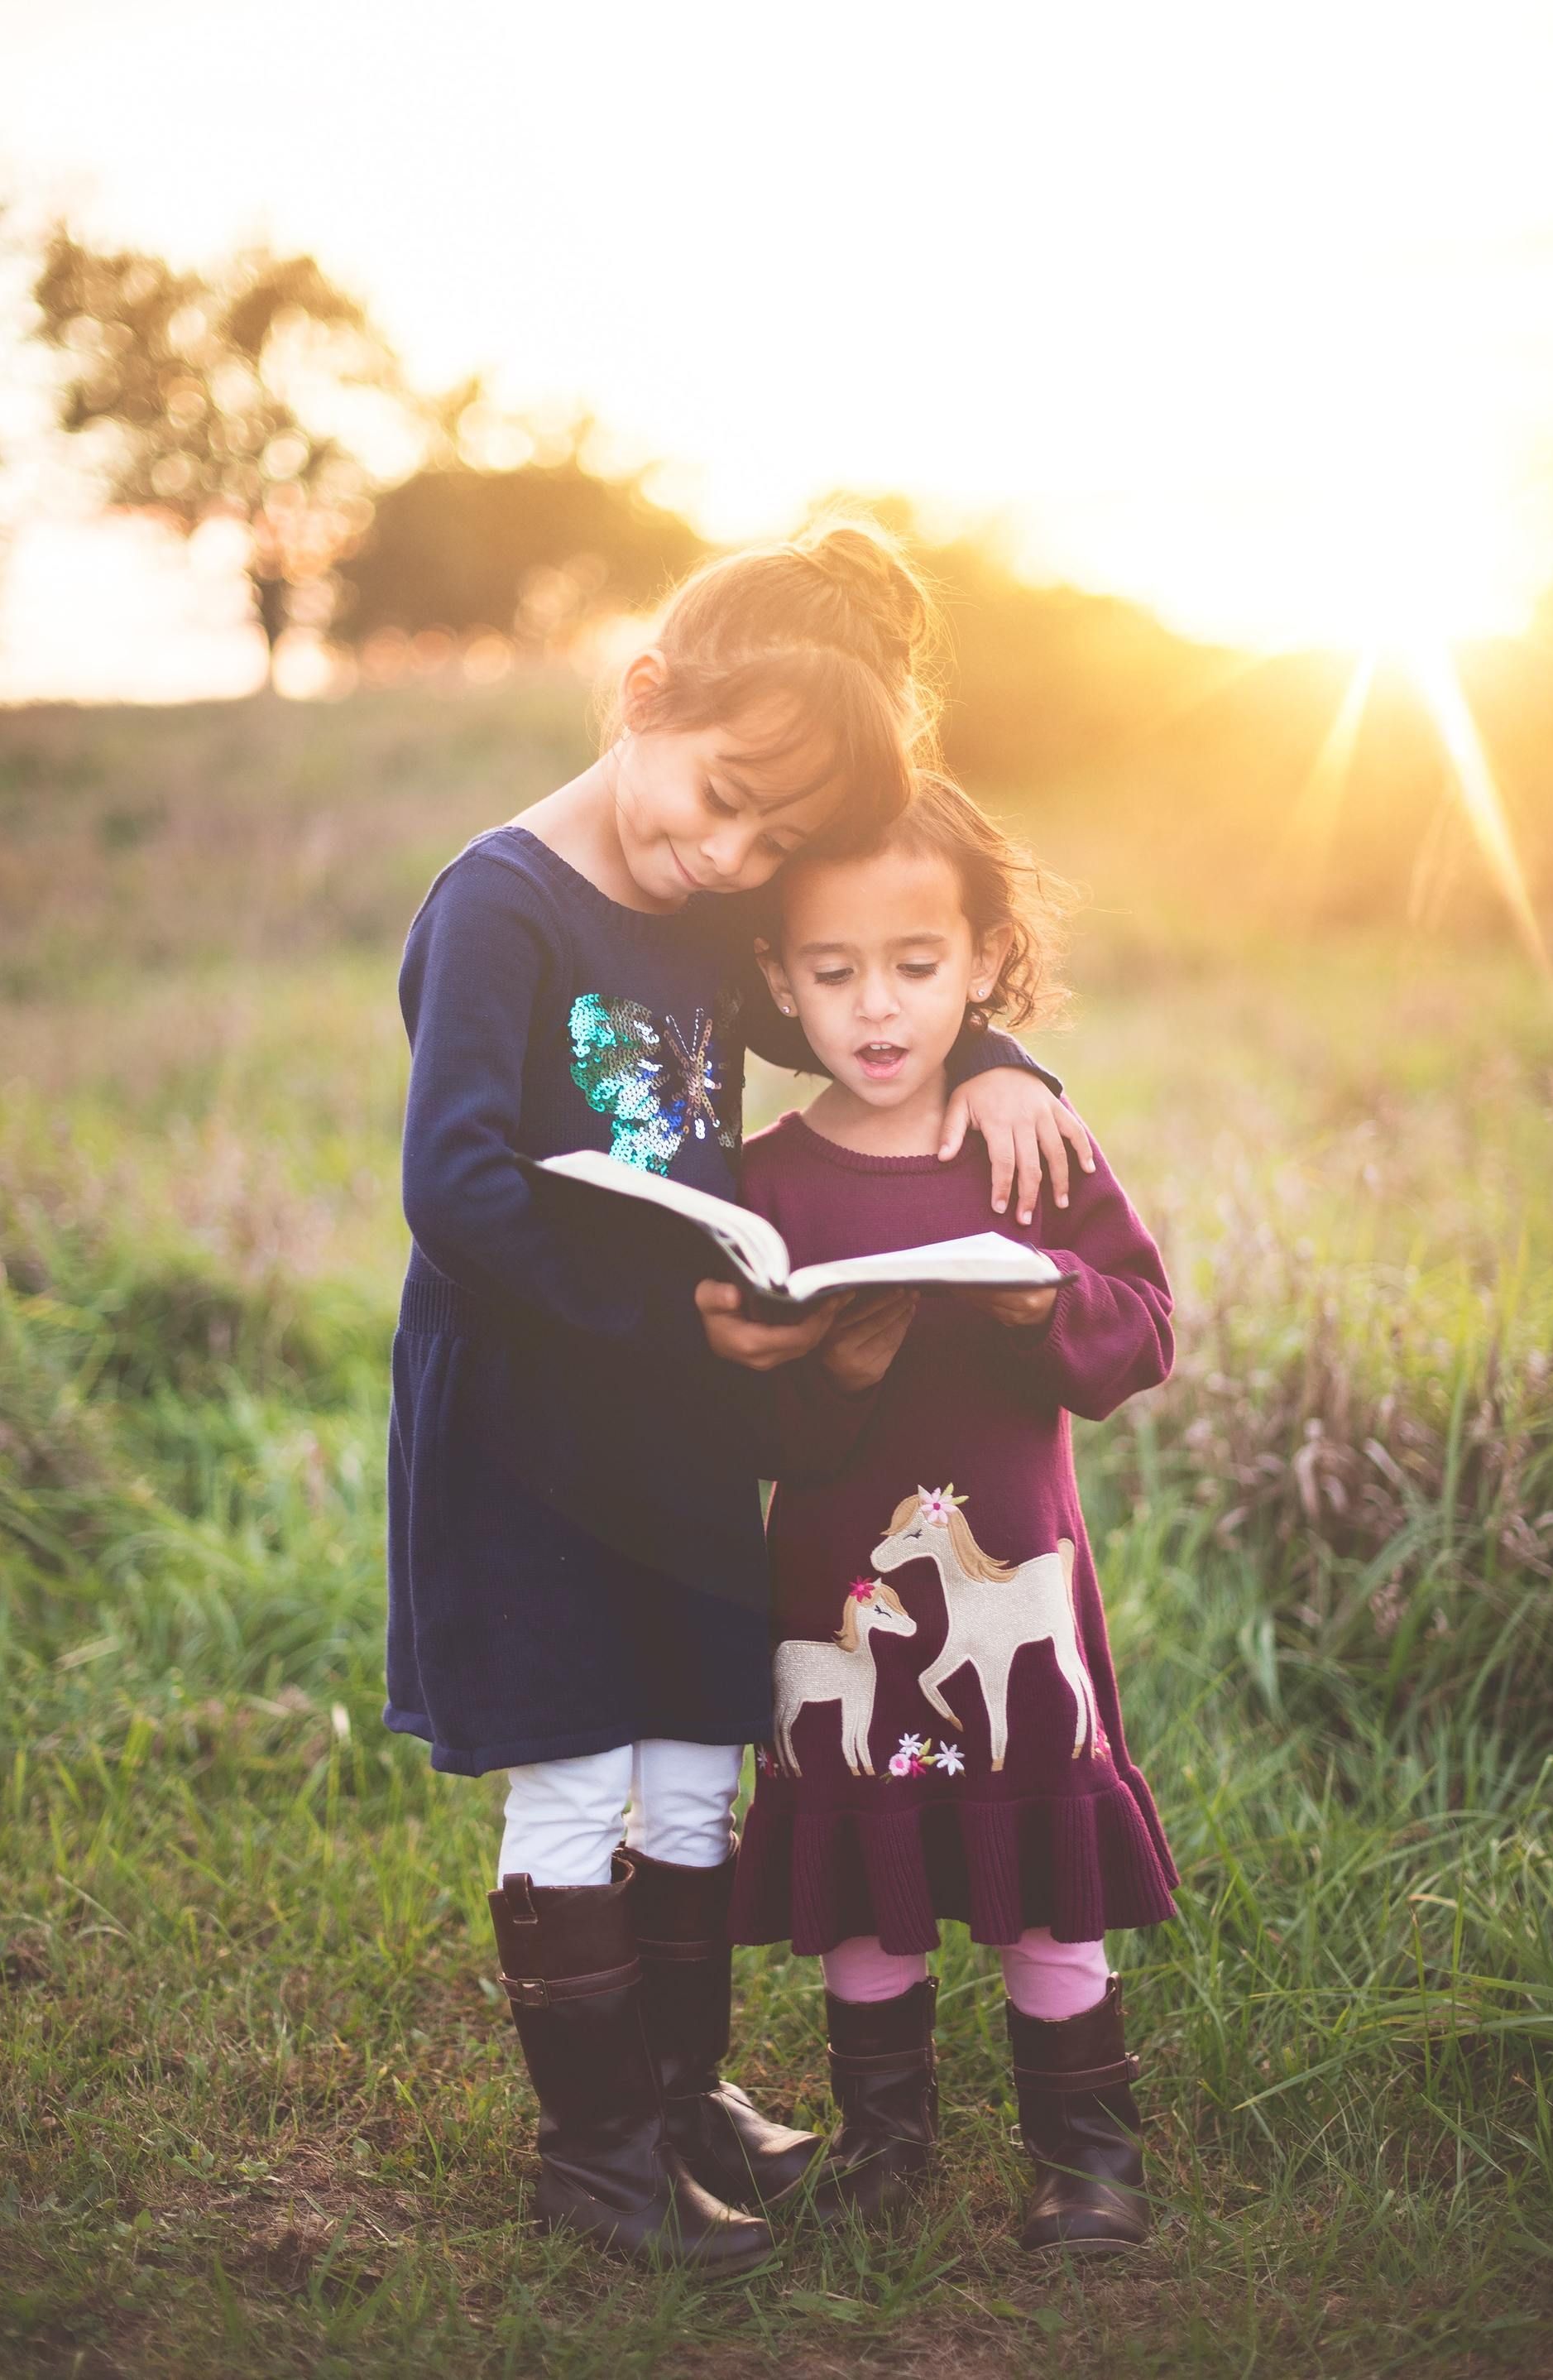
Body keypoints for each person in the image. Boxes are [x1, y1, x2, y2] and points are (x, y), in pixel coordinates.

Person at [386, 522, 1091, 2273]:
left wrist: (997, 1056)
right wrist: (662, 1324)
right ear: (642, 698)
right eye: (719, 804)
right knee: (573, 1774)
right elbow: (458, 1186)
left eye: (773, 842)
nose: (730, 856)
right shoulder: (499, 901)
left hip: (685, 1429)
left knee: (700, 1762)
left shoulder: (707, 912)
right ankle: (598, 2152)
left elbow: (853, 1008)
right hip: (531, 1427)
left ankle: (684, 2093)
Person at [730, 773, 1178, 2257]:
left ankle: (1086, 2154)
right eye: (833, 971)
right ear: (779, 981)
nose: (875, 1007)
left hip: (1015, 1582)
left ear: (982, 964)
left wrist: (1042, 1297)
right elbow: (738, 1423)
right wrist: (832, 1372)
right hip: (837, 1592)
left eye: (917, 968)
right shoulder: (766, 1186)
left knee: (1045, 1877)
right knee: (865, 1874)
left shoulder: (1029, 1142)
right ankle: (884, 2142)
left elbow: (1143, 1331)